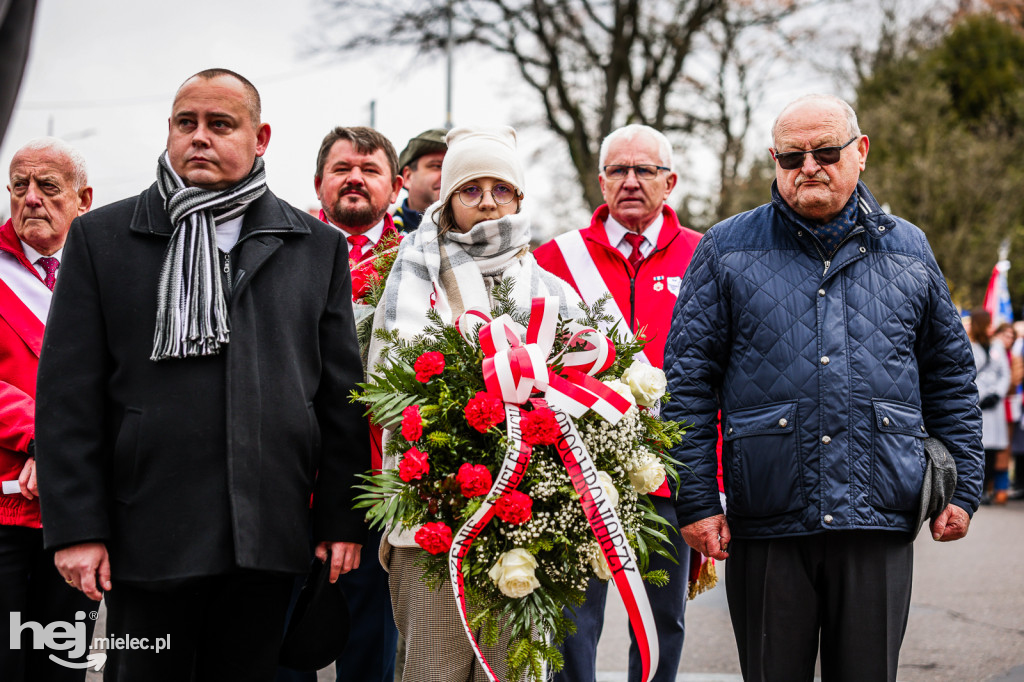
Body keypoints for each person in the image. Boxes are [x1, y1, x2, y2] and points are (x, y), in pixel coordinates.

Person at [35, 69, 369, 681]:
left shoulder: (315, 247)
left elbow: (340, 400)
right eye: (186, 123)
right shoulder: (102, 238)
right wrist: (76, 529)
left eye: (220, 124)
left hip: (267, 536)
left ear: (260, 138)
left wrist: (341, 521)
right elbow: (66, 399)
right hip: (145, 534)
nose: (199, 137)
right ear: (169, 130)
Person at [664, 93, 984, 682]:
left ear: (861, 151)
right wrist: (698, 502)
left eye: (826, 152)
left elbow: (951, 377)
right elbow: (688, 383)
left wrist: (963, 488)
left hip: (878, 514)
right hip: (768, 515)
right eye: (792, 157)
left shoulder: (910, 247)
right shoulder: (725, 247)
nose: (809, 166)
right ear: (775, 161)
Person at [368, 125, 580, 682]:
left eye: (501, 188)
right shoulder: (415, 276)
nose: (487, 202)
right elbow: (387, 385)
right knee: (431, 670)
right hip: (430, 522)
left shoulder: (549, 288)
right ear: (448, 199)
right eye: (470, 189)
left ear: (519, 198)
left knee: (513, 673)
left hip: (525, 524)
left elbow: (587, 378)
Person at [533, 123, 704, 682]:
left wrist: (713, 480)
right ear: (601, 180)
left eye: (644, 170)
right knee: (572, 621)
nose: (630, 181)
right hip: (576, 472)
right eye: (618, 170)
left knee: (662, 622)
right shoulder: (553, 259)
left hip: (669, 475)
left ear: (670, 181)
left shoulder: (705, 256)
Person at [310, 125, 403, 682]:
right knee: (284, 646)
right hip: (293, 478)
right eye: (342, 168)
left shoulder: (420, 259)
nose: (355, 179)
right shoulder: (284, 246)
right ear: (317, 182)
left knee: (372, 649)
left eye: (370, 170)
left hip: (382, 480)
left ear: (396, 187)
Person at [0, 137, 94, 681]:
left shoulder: (108, 270)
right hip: (5, 506)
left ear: (83, 198)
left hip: (78, 510)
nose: (31, 198)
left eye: (48, 186)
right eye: (20, 186)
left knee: (63, 664)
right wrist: (44, 437)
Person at [971, 311, 1012, 505]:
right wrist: (980, 396)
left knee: (993, 449)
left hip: (994, 404)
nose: (991, 327)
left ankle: (988, 488)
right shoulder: (969, 345)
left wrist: (997, 393)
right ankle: (976, 489)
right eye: (988, 324)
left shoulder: (997, 346)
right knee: (979, 448)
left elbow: (1005, 373)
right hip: (978, 402)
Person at [392, 128, 447, 233]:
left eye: (452, 167)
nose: (447, 175)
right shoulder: (378, 235)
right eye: (436, 166)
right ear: (408, 176)